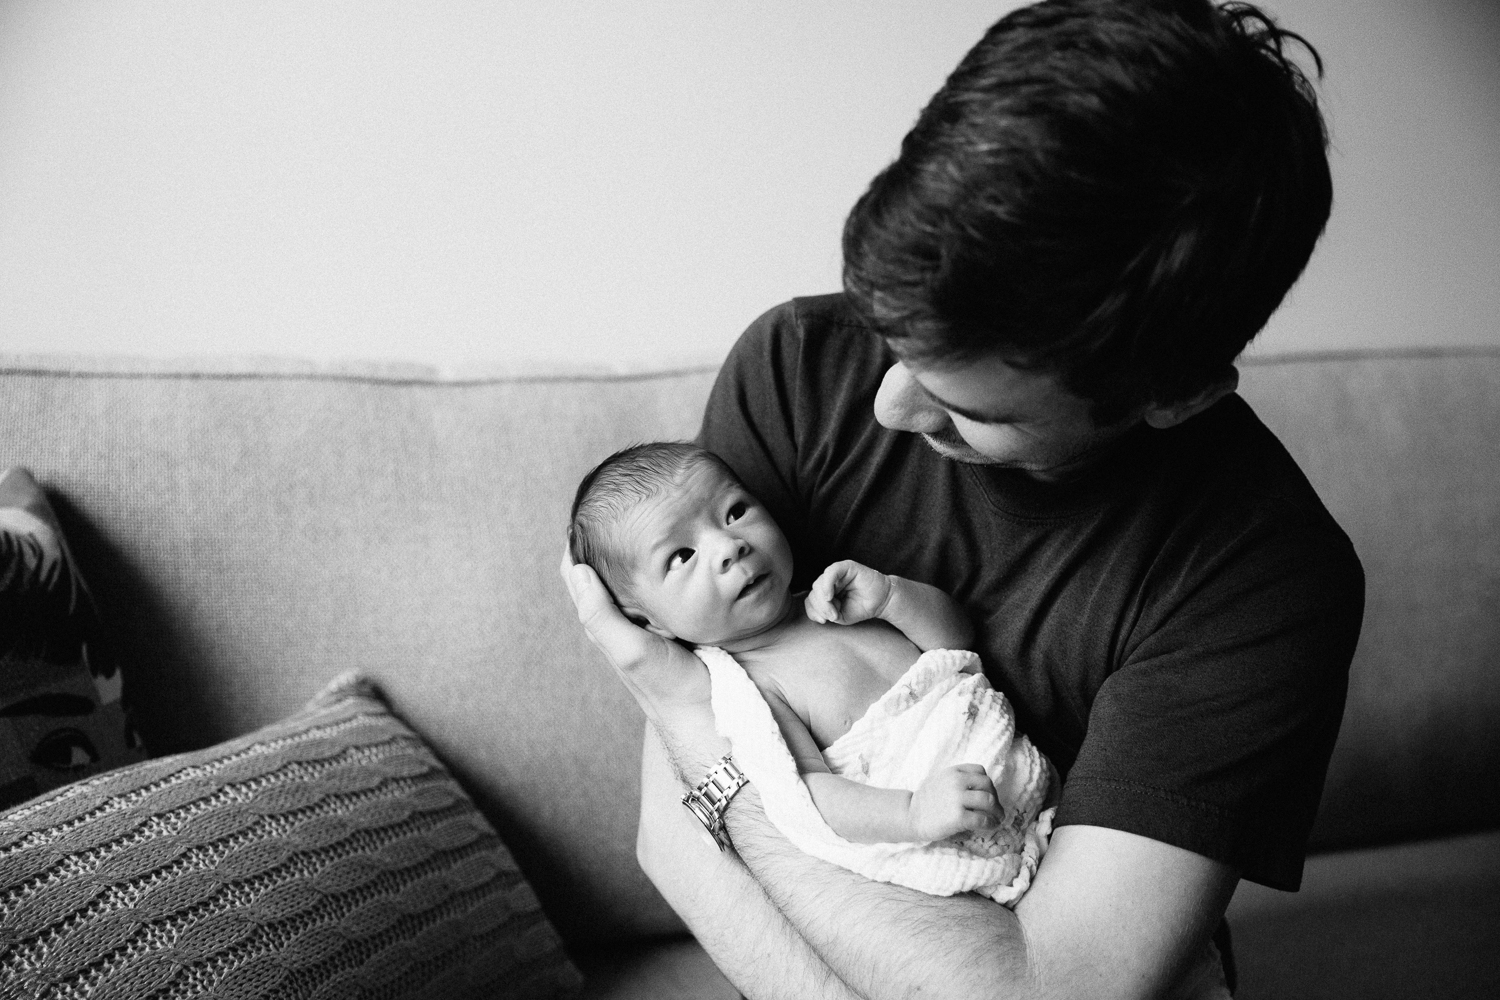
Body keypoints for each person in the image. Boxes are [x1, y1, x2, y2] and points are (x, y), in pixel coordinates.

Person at [561, 1, 1365, 997]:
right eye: (887, 333)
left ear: (1173, 397)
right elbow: (671, 839)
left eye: (965, 407)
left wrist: (695, 731)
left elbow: (1044, 987)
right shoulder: (797, 367)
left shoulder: (1258, 581)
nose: (891, 406)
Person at [568, 441, 1054, 899]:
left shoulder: (834, 600)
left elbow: (955, 643)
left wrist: (890, 597)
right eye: (682, 555)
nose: (729, 545)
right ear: (648, 623)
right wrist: (913, 813)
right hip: (942, 828)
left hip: (1028, 785)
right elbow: (810, 796)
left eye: (735, 512)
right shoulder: (751, 691)